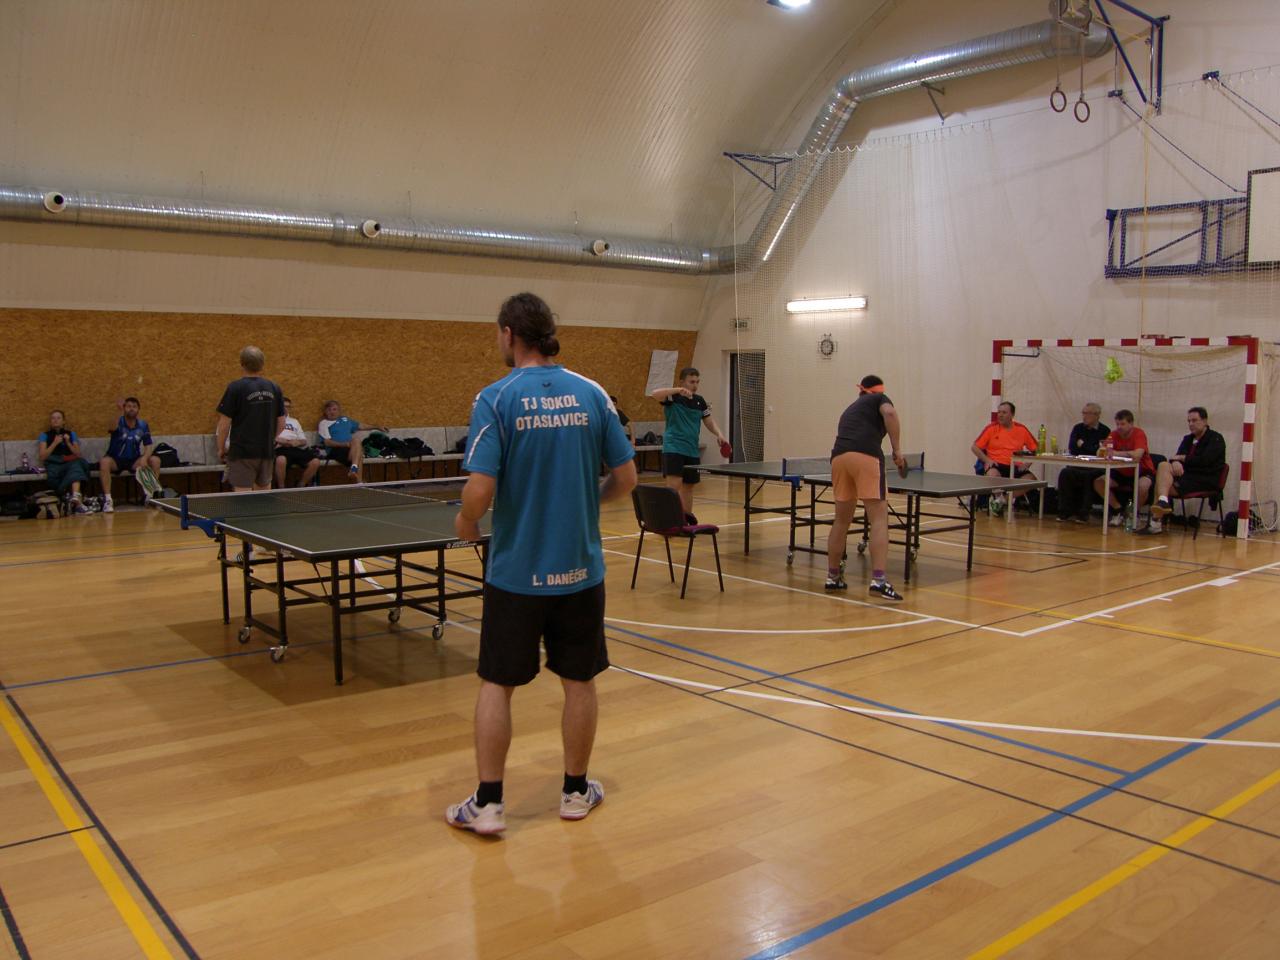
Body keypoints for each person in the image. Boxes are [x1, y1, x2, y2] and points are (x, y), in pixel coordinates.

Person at [446, 292, 637, 836]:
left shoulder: (497, 397)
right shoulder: (593, 393)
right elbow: (626, 479)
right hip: (580, 569)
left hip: (516, 573)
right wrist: (588, 500)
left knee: (496, 684)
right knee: (579, 681)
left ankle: (488, 804)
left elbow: (479, 491)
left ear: (509, 333)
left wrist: (466, 522)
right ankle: (575, 792)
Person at [824, 375, 907, 602]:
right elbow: (890, 413)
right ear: (878, 391)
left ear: (861, 391)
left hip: (839, 459)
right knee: (879, 519)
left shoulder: (850, 409)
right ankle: (879, 581)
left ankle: (833, 577)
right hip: (866, 457)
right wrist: (897, 450)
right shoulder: (880, 399)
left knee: (841, 520)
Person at [650, 367, 729, 522]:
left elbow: (708, 421)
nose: (695, 385)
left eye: (697, 382)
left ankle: (686, 520)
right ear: (682, 382)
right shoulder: (673, 397)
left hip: (692, 449)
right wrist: (677, 390)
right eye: (691, 382)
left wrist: (719, 434)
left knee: (689, 487)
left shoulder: (700, 401)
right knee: (673, 487)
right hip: (674, 448)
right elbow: (655, 394)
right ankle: (669, 521)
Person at [215, 346, 285, 493]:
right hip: (266, 451)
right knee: (264, 495)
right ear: (263, 364)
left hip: (242, 452)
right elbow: (281, 422)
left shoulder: (235, 388)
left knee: (243, 497)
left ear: (242, 363)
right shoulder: (274, 387)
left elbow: (224, 423)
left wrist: (221, 448)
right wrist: (271, 439)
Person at [1147, 406, 1227, 534]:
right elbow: (1176, 457)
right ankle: (1162, 501)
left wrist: (1182, 458)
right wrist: (1176, 462)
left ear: (1205, 421)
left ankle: (1155, 523)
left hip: (1205, 479)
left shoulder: (1216, 439)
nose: (1191, 424)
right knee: (1163, 465)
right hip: (1188, 476)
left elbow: (1204, 461)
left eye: (1194, 420)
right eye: (1189, 421)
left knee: (1160, 485)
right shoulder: (1188, 439)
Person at [970, 401, 1038, 515]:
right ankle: (998, 499)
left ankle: (1001, 501)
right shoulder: (991, 428)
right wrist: (987, 460)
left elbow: (1036, 450)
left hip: (1015, 465)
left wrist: (1027, 464)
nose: (1000, 415)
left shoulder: (1022, 429)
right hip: (996, 464)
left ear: (1012, 415)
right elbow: (974, 447)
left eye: (1004, 413)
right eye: (999, 412)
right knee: (993, 475)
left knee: (1031, 480)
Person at [97, 397, 162, 513]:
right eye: (128, 406)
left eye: (134, 407)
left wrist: (145, 458)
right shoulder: (119, 421)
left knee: (155, 460)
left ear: (138, 410)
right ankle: (108, 500)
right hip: (115, 459)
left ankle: (150, 496)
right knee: (104, 462)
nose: (131, 409)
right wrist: (118, 411)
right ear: (124, 408)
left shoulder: (143, 425)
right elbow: (111, 427)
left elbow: (148, 445)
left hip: (134, 460)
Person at [1093, 408, 1154, 527]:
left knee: (1143, 486)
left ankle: (1134, 513)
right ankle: (1118, 510)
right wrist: (1103, 451)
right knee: (1099, 482)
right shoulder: (1114, 434)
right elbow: (1100, 452)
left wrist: (1116, 453)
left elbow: (1137, 455)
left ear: (1131, 424)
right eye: (1117, 424)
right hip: (1122, 471)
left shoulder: (1139, 434)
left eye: (1122, 424)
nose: (1119, 427)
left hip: (1141, 470)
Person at [1055, 402, 1110, 523]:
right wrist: (1089, 447)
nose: (1084, 416)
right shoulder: (1078, 428)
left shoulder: (1105, 431)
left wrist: (1083, 444)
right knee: (1065, 473)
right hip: (1078, 463)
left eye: (1088, 413)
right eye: (1083, 413)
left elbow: (1099, 451)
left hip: (1095, 467)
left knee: (1089, 476)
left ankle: (1084, 513)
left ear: (1097, 415)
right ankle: (1064, 511)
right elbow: (1073, 448)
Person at [317, 400, 385, 483]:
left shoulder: (345, 420)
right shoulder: (323, 423)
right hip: (335, 450)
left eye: (334, 409)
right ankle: (358, 479)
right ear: (325, 412)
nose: (332, 412)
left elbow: (361, 426)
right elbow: (327, 442)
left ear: (339, 411)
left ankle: (354, 471)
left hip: (350, 448)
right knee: (359, 453)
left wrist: (377, 427)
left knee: (356, 441)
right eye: (329, 410)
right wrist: (345, 444)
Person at [37, 410, 90, 513]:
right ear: (50, 421)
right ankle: (78, 502)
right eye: (53, 418)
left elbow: (78, 454)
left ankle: (75, 496)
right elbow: (43, 456)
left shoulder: (71, 434)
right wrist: (55, 443)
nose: (55, 420)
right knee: (76, 468)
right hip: (54, 464)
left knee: (77, 464)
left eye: (58, 418)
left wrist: (68, 442)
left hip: (69, 463)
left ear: (63, 421)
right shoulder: (44, 435)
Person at [274, 397, 321, 488]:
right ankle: (280, 488)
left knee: (315, 462)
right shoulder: (271, 420)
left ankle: (301, 485)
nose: (285, 409)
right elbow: (269, 438)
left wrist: (297, 442)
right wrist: (283, 441)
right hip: (279, 448)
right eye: (283, 406)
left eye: (288, 407)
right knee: (281, 460)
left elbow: (304, 440)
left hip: (295, 448)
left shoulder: (294, 421)